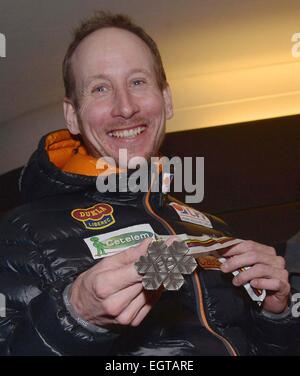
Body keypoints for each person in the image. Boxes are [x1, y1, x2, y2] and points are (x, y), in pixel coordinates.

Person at [0, 11, 298, 356]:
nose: (125, 107)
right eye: (100, 88)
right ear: (72, 116)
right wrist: (74, 315)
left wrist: (274, 314)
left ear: (166, 100)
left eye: (138, 82)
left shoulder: (214, 230)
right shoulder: (22, 231)